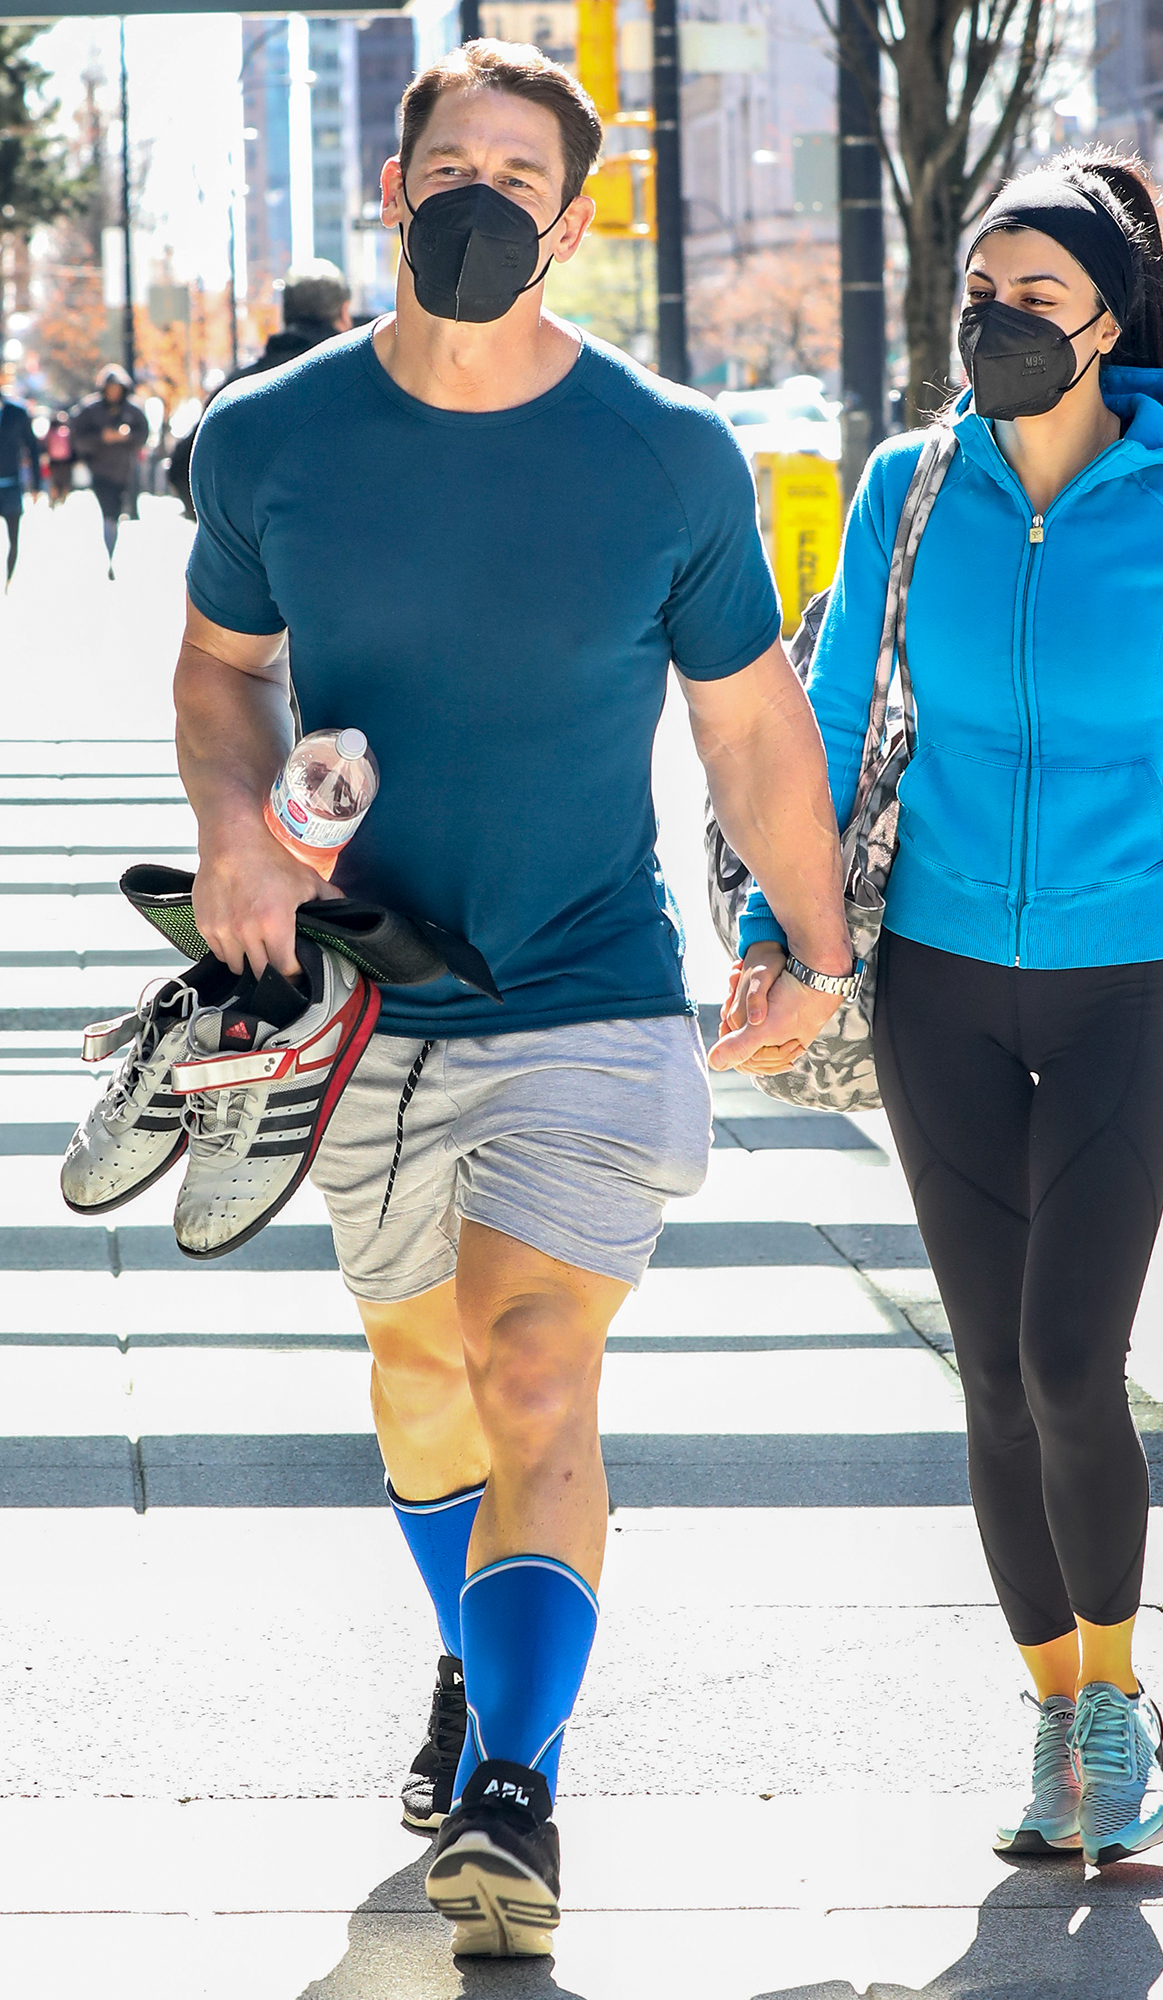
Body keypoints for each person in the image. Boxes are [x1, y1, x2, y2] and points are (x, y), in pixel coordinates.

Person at [174, 38, 849, 1962]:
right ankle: (488, 1667)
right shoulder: (272, 440)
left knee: (532, 1361)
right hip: (364, 1003)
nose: (479, 194)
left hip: (585, 991)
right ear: (394, 194)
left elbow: (748, 728)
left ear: (569, 218)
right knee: (420, 1403)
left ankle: (514, 1791)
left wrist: (809, 952)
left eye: (516, 172)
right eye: (446, 163)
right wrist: (233, 824)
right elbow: (220, 671)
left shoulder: (663, 454)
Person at [723, 151, 1163, 1869]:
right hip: (928, 979)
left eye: (1032, 299)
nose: (992, 323)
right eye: (976, 295)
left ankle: (1113, 1704)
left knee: (1072, 1361)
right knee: (991, 1378)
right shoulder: (902, 488)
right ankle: (1059, 1721)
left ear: (1105, 324)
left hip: (1113, 985)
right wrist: (781, 942)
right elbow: (823, 712)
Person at [168, 260, 354, 515]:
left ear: (285, 314)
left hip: (262, 548)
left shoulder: (241, 388)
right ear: (344, 312)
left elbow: (182, 468)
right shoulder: (366, 382)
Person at [70, 364, 147, 578]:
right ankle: (108, 552)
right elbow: (78, 439)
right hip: (100, 470)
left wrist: (127, 437)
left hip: (124, 469)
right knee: (108, 514)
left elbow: (143, 434)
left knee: (119, 511)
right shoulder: (90, 410)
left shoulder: (132, 410)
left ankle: (114, 548)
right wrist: (101, 438)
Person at [0, 390, 42, 591]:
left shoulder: (16, 412)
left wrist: (36, 485)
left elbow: (32, 447)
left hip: (12, 485)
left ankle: (8, 581)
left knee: (13, 539)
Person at [43, 408, 74, 504]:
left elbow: (45, 445)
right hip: (66, 461)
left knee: (54, 482)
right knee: (65, 481)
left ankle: (53, 499)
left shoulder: (50, 432)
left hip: (53, 461)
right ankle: (64, 500)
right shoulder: (66, 431)